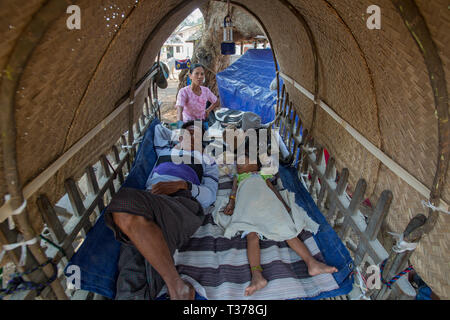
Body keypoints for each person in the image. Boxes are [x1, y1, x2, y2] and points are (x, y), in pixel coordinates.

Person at [105, 121, 219, 300]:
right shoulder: (165, 151)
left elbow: (209, 196)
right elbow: (158, 129)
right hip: (151, 200)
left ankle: (173, 285)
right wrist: (180, 134)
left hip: (182, 202)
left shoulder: (207, 160)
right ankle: (176, 286)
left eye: (196, 135)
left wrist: (183, 184)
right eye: (187, 132)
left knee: (126, 213)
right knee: (132, 232)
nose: (191, 136)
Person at [222, 148, 338, 297]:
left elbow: (273, 189)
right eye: (238, 162)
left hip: (268, 205)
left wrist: (284, 204)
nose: (239, 164)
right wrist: (231, 204)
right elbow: (233, 192)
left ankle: (312, 263)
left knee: (287, 231)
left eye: (244, 160)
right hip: (248, 207)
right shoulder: (239, 177)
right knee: (252, 237)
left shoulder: (262, 175)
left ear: (256, 165)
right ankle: (257, 275)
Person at [176, 64, 220, 129]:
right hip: (188, 124)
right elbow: (179, 112)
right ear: (190, 76)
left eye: (202, 74)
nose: (200, 77)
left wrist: (208, 110)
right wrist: (181, 128)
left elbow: (217, 102)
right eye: (196, 73)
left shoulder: (206, 91)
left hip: (202, 124)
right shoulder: (184, 92)